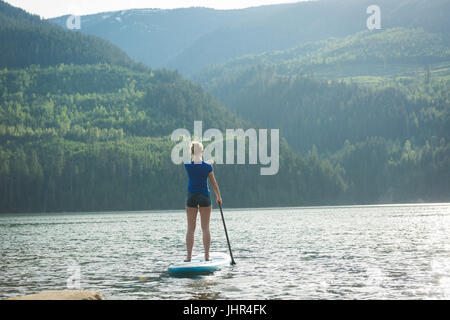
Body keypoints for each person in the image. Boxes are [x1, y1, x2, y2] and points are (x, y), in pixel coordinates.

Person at [184, 141, 222, 262]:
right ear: (202, 152)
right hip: (204, 196)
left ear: (192, 152)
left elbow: (197, 163)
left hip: (191, 197)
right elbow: (214, 183)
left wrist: (208, 162)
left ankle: (189, 257)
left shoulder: (187, 165)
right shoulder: (207, 167)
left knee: (190, 228)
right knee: (205, 228)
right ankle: (207, 256)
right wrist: (218, 197)